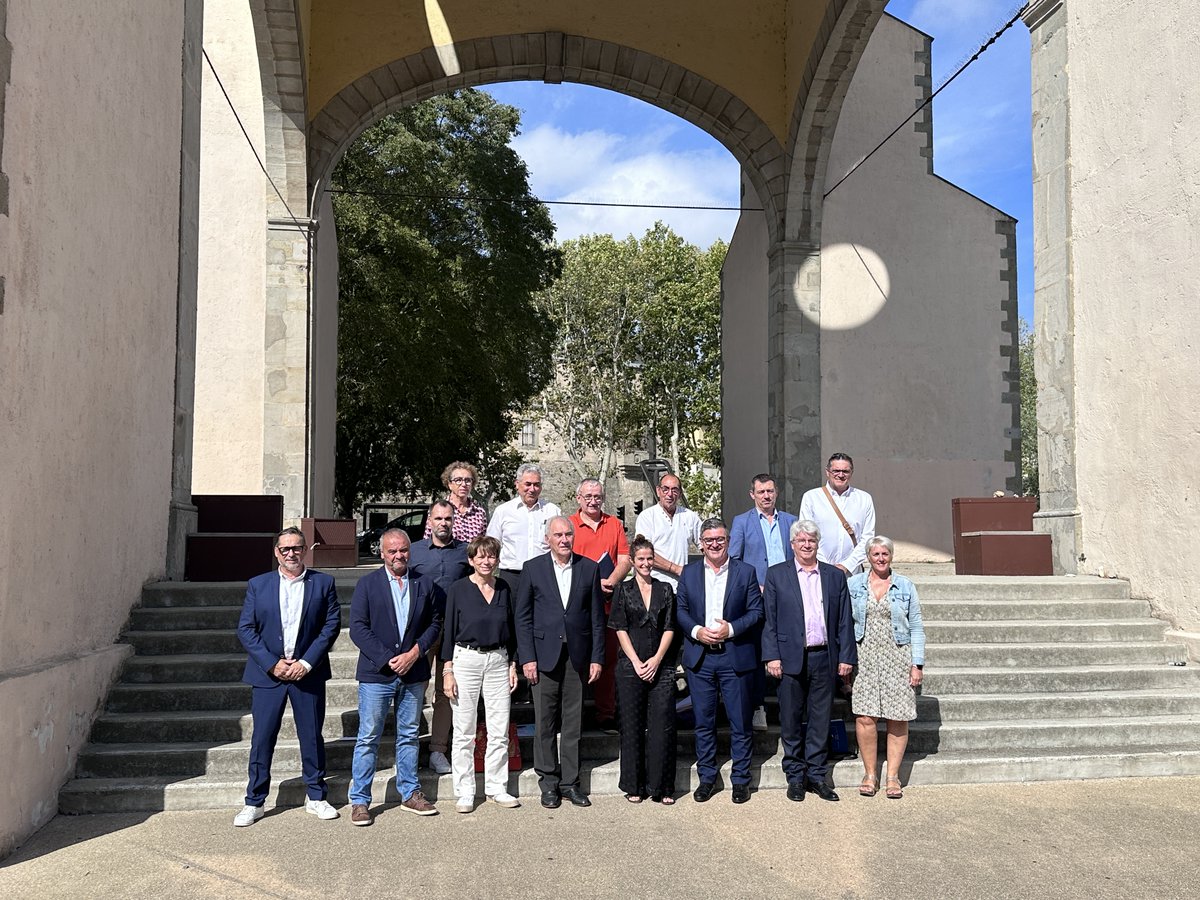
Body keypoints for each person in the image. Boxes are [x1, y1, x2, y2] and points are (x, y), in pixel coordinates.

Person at [234, 527, 341, 826]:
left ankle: (316, 796)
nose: (291, 554)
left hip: (307, 673)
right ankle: (254, 801)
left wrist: (306, 663)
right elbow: (246, 629)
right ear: (276, 553)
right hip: (269, 675)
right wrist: (271, 664)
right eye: (285, 549)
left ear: (305, 550)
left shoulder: (324, 583)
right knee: (262, 738)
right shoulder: (258, 585)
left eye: (297, 548)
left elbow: (330, 626)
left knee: (311, 736)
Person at [347, 528, 444, 825]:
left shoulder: (424, 585)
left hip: (413, 672)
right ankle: (360, 800)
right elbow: (358, 628)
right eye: (392, 551)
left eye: (403, 550)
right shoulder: (367, 584)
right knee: (368, 737)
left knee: (409, 735)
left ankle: (410, 792)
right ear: (382, 553)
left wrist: (415, 652)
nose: (399, 555)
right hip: (377, 674)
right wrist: (387, 659)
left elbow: (435, 623)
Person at [762, 519, 857, 802]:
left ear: (818, 544)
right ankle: (794, 776)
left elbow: (844, 621)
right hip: (790, 657)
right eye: (801, 540)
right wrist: (772, 655)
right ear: (792, 545)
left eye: (811, 541)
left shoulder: (834, 576)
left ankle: (817, 775)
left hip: (824, 656)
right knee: (790, 719)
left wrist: (846, 657)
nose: (806, 545)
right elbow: (770, 620)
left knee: (820, 719)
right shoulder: (777, 575)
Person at [515, 516, 605, 809]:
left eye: (568, 534)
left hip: (577, 658)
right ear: (548, 539)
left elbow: (596, 619)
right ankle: (549, 783)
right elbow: (523, 617)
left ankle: (570, 783)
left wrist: (596, 658)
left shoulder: (588, 568)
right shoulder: (533, 569)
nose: (564, 539)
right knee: (544, 723)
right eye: (558, 535)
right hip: (543, 656)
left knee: (572, 724)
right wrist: (527, 658)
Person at [676, 517, 762, 804]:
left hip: (734, 656)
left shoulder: (745, 572)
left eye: (720, 540)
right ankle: (707, 778)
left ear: (728, 541)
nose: (715, 544)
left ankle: (740, 780)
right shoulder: (688, 574)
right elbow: (681, 611)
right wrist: (698, 632)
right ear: (701, 544)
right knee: (704, 722)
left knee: (740, 722)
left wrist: (731, 629)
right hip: (700, 659)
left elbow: (755, 611)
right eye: (709, 540)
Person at [441, 535, 521, 813]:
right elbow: (448, 631)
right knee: (464, 730)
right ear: (471, 560)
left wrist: (513, 663)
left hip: (499, 660)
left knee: (499, 729)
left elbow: (513, 630)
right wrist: (447, 670)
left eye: (491, 556)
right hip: (466, 661)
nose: (487, 562)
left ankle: (497, 787)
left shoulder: (505, 589)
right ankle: (464, 791)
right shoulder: (458, 590)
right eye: (481, 557)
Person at [848, 535, 925, 800]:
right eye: (876, 554)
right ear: (868, 557)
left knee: (898, 716)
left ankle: (893, 776)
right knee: (865, 717)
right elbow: (844, 624)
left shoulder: (905, 586)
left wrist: (918, 664)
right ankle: (870, 773)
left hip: (898, 657)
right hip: (865, 657)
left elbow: (916, 627)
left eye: (885, 554)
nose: (881, 559)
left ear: (891, 556)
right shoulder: (853, 585)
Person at [609, 536, 677, 804]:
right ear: (633, 561)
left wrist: (657, 659)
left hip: (662, 666)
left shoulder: (665, 590)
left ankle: (662, 787)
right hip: (630, 666)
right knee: (632, 726)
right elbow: (619, 627)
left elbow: (671, 627)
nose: (647, 563)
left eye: (650, 558)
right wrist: (637, 662)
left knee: (662, 726)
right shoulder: (623, 591)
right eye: (641, 559)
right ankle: (634, 785)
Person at [728, 472, 797, 731]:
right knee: (759, 653)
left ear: (776, 492)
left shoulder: (791, 521)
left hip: (788, 597)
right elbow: (734, 559)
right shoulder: (742, 522)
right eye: (761, 492)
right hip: (757, 596)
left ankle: (789, 709)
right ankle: (759, 708)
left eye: (770, 491)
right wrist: (751, 585)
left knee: (789, 652)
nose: (766, 496)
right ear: (752, 494)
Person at [410, 500, 471, 777]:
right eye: (438, 518)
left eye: (448, 518)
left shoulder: (464, 552)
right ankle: (408, 748)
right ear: (429, 522)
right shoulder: (414, 552)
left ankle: (438, 749)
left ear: (453, 521)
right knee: (414, 690)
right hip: (421, 631)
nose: (443, 523)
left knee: (446, 692)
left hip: (454, 631)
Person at [569, 477, 631, 732]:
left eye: (598, 496)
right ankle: (575, 715)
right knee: (576, 660)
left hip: (607, 602)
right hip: (577, 604)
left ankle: (606, 713)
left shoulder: (614, 524)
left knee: (607, 660)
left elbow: (625, 558)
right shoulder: (569, 526)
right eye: (588, 497)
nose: (593, 501)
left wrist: (611, 580)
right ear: (578, 499)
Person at [487, 463, 562, 591]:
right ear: (517, 484)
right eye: (528, 484)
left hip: (544, 575)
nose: (532, 489)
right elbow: (492, 544)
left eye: (537, 484)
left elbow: (559, 544)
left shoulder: (552, 511)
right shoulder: (503, 511)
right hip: (512, 577)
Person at [798, 452, 876, 574]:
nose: (841, 475)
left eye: (845, 471)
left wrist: (847, 565)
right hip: (820, 571)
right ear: (827, 472)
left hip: (852, 572)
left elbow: (867, 538)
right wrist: (826, 566)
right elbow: (807, 535)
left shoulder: (864, 499)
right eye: (836, 470)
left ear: (851, 473)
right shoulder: (811, 497)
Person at [633, 472, 702, 588]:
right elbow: (643, 553)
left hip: (681, 587)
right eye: (665, 489)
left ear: (680, 493)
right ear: (658, 491)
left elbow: (706, 544)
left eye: (675, 490)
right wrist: (676, 569)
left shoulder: (690, 517)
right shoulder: (647, 517)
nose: (670, 494)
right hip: (652, 587)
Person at [424, 460, 489, 542]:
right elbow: (428, 541)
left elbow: (482, 544)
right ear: (449, 484)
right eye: (458, 480)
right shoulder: (438, 510)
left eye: (468, 480)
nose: (464, 484)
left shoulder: (479, 512)